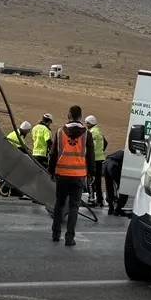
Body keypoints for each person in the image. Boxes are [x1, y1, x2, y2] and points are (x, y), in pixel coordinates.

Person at [48, 105, 95, 246]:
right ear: (80, 117)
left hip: (62, 175)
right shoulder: (87, 134)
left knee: (59, 204)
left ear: (68, 116)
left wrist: (51, 171)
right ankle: (70, 238)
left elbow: (53, 154)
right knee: (74, 207)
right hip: (79, 176)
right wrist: (91, 173)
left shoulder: (59, 133)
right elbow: (91, 156)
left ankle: (56, 234)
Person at [1, 121, 32, 198]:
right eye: (28, 131)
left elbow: (23, 147)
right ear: (25, 130)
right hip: (8, 158)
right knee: (14, 174)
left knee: (13, 175)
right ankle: (8, 190)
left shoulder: (18, 134)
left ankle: (12, 190)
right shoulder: (16, 136)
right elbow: (21, 149)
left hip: (11, 157)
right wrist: (30, 154)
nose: (28, 133)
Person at [84, 115, 107, 207]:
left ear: (91, 123)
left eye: (87, 123)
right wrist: (100, 151)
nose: (86, 125)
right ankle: (100, 199)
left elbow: (91, 147)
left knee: (90, 180)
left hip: (94, 160)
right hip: (100, 159)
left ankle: (91, 199)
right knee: (98, 181)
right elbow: (105, 143)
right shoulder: (99, 131)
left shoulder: (92, 133)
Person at [103, 149, 126, 215]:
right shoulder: (129, 156)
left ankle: (110, 208)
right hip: (114, 165)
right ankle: (118, 209)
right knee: (125, 188)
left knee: (109, 186)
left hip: (106, 163)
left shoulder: (121, 152)